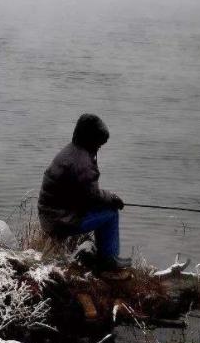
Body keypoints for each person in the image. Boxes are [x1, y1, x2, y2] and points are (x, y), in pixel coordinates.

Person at [38, 113, 131, 271]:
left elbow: (84, 194)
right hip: (59, 221)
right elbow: (92, 197)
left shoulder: (71, 150)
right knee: (111, 213)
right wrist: (113, 198)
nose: (100, 147)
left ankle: (104, 256)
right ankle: (109, 262)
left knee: (105, 208)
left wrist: (106, 198)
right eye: (99, 143)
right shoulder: (82, 162)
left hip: (51, 215)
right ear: (91, 139)